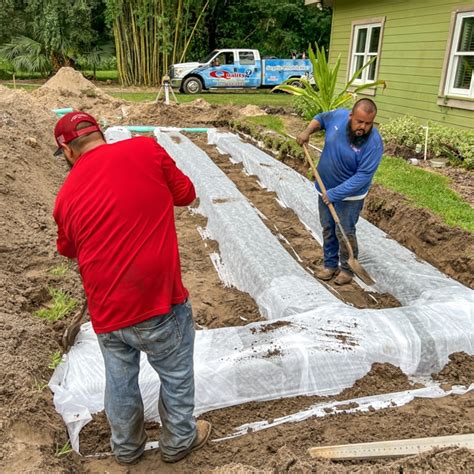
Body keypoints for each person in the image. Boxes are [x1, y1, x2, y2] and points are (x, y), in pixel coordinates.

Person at [52, 111, 211, 465]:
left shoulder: (65, 197)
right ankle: (178, 442)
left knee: (120, 378)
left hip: (107, 310)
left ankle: (126, 448)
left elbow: (68, 249)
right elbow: (185, 194)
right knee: (175, 372)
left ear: (68, 152)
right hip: (158, 301)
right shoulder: (146, 150)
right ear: (101, 135)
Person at [297, 98, 383, 285]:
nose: (363, 127)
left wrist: (335, 194)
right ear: (351, 116)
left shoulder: (373, 143)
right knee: (328, 228)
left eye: (368, 123)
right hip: (325, 188)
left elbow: (363, 176)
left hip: (350, 197)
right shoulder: (338, 116)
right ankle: (330, 265)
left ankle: (347, 268)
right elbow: (321, 118)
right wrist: (307, 131)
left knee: (344, 231)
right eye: (359, 121)